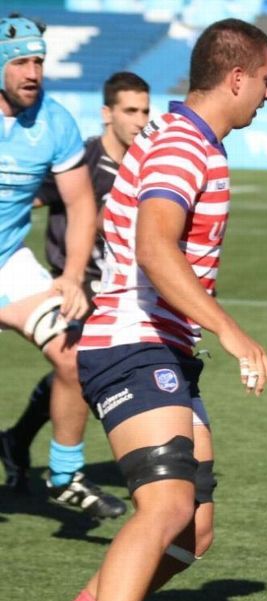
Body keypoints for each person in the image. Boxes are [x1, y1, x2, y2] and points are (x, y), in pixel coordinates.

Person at [10, 19, 267, 601]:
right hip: (132, 343)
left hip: (164, 350)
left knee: (192, 530)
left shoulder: (190, 139)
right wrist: (233, 331)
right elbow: (156, 247)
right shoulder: (186, 146)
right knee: (162, 506)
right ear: (238, 76)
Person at [0, 71, 152, 519]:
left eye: (146, 110)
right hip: (83, 282)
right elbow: (37, 198)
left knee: (78, 359)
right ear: (107, 113)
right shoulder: (87, 155)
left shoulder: (140, 162)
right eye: (131, 110)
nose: (141, 120)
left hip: (83, 282)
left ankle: (62, 473)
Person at [0, 14, 106, 516]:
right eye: (20, 61)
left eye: (39, 61)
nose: (33, 72)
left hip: (9, 265)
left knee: (74, 355)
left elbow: (82, 204)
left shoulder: (56, 121)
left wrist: (72, 275)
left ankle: (65, 474)